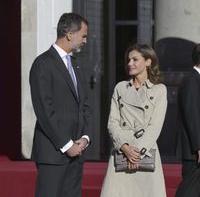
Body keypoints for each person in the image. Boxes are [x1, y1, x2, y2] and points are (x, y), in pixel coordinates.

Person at [29, 13, 92, 197]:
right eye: (84, 35)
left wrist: (85, 138)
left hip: (77, 153)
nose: (85, 41)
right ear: (69, 34)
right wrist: (66, 144)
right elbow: (44, 109)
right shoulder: (43, 64)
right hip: (53, 153)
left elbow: (85, 105)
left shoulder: (76, 64)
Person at [100, 44, 167, 197]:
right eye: (128, 60)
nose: (130, 63)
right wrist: (124, 147)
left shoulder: (159, 90)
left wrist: (137, 153)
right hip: (121, 151)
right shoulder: (120, 88)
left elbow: (155, 126)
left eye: (135, 59)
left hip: (146, 151)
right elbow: (112, 122)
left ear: (148, 62)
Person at [176, 43, 200, 178]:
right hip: (194, 153)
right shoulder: (191, 80)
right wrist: (198, 147)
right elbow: (192, 115)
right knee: (189, 190)